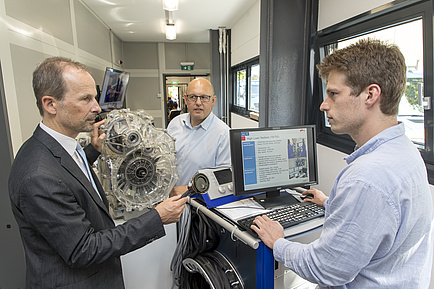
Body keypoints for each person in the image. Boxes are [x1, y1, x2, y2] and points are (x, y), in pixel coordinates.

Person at [251, 39, 434, 288]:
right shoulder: (404, 151)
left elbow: (325, 269)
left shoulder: (367, 178)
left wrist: (278, 242)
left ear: (370, 94)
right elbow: (381, 219)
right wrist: (330, 203)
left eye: (334, 94)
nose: (324, 105)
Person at [8, 57, 187, 289]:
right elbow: (83, 249)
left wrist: (92, 151)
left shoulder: (55, 147)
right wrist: (157, 218)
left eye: (95, 97)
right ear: (50, 104)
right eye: (85, 99)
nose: (97, 108)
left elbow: (70, 174)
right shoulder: (38, 175)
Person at [167, 78, 231, 196]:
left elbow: (225, 180)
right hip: (168, 197)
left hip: (198, 205)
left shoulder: (224, 134)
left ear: (213, 101)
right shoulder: (175, 124)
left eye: (204, 97)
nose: (198, 102)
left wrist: (189, 189)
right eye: (193, 97)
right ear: (186, 99)